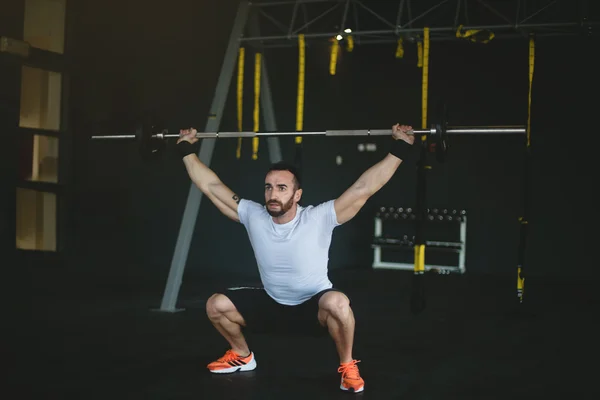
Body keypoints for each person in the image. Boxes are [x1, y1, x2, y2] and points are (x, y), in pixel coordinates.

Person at [175, 124, 415, 393]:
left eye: (281, 188)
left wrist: (400, 148)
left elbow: (364, 188)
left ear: (297, 194)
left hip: (313, 306)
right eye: (268, 188)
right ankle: (242, 354)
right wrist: (187, 149)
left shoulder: (319, 217)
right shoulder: (253, 215)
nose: (272, 195)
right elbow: (211, 185)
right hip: (271, 303)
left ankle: (347, 365)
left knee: (338, 303)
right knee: (216, 305)